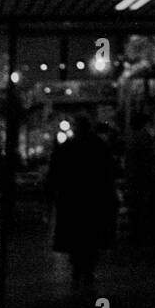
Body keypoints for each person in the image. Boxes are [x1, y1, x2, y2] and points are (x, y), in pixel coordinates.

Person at [46, 114, 118, 291]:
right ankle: (88, 269)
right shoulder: (100, 146)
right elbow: (109, 173)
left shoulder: (67, 147)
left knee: (75, 234)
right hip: (94, 197)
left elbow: (54, 173)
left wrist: (51, 194)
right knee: (92, 235)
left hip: (72, 198)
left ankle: (78, 268)